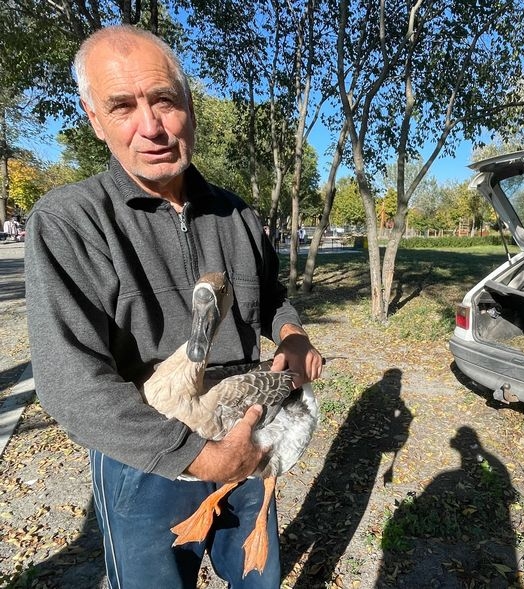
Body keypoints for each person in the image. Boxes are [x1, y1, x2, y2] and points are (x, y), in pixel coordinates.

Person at [24, 25, 323, 589]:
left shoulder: (237, 216)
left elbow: (271, 295)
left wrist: (290, 332)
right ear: (95, 119)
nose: (151, 127)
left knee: (258, 579)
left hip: (245, 429)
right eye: (122, 107)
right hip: (147, 454)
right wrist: (196, 456)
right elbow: (70, 382)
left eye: (164, 100)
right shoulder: (70, 222)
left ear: (190, 105)